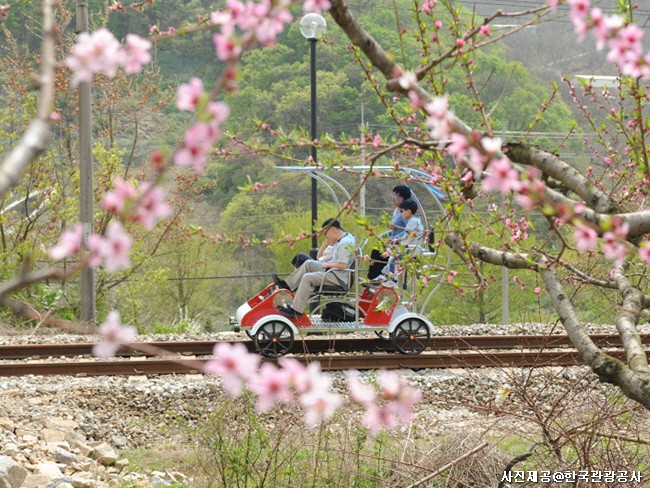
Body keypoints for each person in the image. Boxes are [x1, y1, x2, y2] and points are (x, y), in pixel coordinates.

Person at [274, 219, 355, 318]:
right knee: (308, 263)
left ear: (332, 230)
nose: (326, 237)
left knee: (307, 277)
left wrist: (327, 265)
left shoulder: (345, 243)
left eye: (325, 233)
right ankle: (287, 285)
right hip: (334, 273)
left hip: (338, 277)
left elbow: (343, 265)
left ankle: (296, 310)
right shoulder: (346, 237)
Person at [372, 199, 424, 285]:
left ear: (408, 211)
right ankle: (385, 275)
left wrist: (402, 245)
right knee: (390, 256)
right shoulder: (413, 221)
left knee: (393, 259)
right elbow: (404, 234)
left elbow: (411, 236)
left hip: (412, 249)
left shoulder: (413, 222)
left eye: (402, 211)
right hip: (409, 247)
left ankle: (392, 280)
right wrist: (393, 240)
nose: (401, 213)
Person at [367, 184, 412, 279]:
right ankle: (374, 277)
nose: (393, 197)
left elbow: (408, 231)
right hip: (394, 242)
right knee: (376, 250)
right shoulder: (397, 211)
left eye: (396, 195)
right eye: (393, 194)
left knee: (381, 253)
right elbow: (394, 230)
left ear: (403, 198)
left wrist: (394, 239)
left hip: (402, 244)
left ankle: (384, 277)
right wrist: (382, 236)